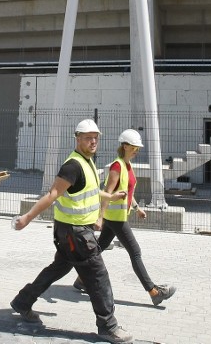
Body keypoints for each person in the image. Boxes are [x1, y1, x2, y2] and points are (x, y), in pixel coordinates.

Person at [10, 119, 134, 344]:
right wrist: (27, 218)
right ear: (77, 138)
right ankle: (108, 326)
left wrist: (111, 196)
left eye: (96, 136)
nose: (93, 141)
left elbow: (90, 191)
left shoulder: (87, 162)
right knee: (97, 276)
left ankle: (23, 301)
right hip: (75, 233)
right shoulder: (73, 166)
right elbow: (52, 194)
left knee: (58, 268)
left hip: (72, 232)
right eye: (88, 137)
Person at [73, 129, 176, 306]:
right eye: (134, 147)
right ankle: (154, 292)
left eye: (138, 148)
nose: (137, 150)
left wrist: (137, 208)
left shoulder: (127, 166)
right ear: (125, 146)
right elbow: (108, 193)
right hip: (115, 218)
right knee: (135, 252)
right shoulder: (117, 166)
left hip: (119, 216)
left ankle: (81, 279)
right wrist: (100, 217)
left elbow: (127, 192)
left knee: (99, 248)